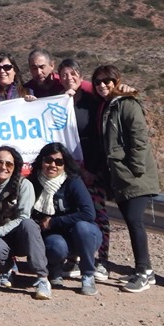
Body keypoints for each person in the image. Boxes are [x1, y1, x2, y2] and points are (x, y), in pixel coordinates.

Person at [92, 64, 160, 293]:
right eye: (98, 82)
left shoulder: (127, 104)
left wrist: (135, 169)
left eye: (107, 81)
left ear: (116, 81)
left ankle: (143, 272)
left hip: (133, 176)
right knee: (132, 221)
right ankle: (145, 270)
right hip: (120, 176)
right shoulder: (107, 105)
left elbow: (139, 139)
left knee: (134, 220)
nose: (102, 85)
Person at [0, 145, 52, 299]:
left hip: (20, 237)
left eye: (9, 164)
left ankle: (43, 279)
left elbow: (23, 217)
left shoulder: (24, 185)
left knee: (29, 224)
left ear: (15, 167)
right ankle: (7, 270)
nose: (3, 167)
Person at [59, 58, 110, 280]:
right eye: (64, 75)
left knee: (98, 213)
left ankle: (102, 260)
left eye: (73, 74)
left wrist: (92, 169)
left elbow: (99, 136)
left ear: (81, 76)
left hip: (92, 168)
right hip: (68, 171)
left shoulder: (93, 101)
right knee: (71, 212)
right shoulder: (59, 102)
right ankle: (74, 257)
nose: (69, 78)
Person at [29, 142, 102, 296]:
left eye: (59, 162)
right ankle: (55, 270)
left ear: (65, 164)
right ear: (41, 161)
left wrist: (53, 221)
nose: (53, 165)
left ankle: (88, 275)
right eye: (48, 160)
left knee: (83, 227)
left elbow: (89, 214)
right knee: (55, 245)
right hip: (53, 236)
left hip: (81, 236)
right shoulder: (32, 183)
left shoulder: (73, 181)